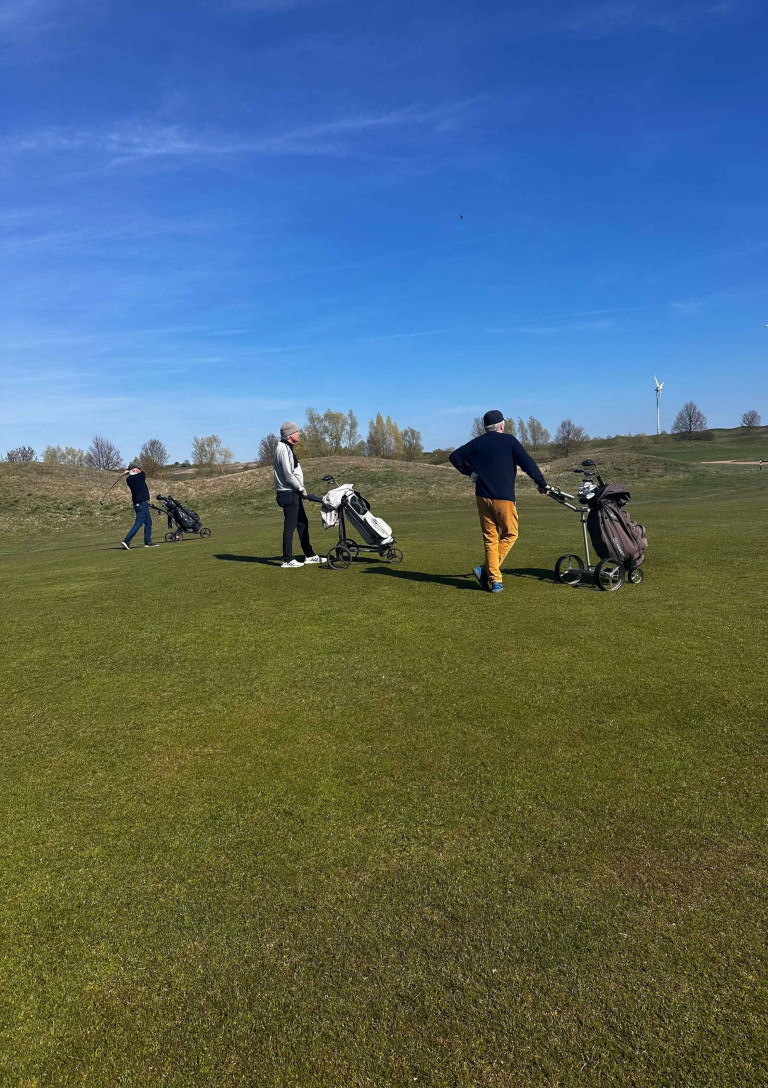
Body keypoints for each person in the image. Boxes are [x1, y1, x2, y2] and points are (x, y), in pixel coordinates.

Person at [449, 410, 548, 593]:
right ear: (501, 425)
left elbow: (454, 456)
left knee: (490, 539)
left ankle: (494, 580)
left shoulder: (477, 443)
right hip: (504, 497)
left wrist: (470, 472)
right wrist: (541, 483)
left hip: (482, 496)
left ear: (485, 427)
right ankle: (486, 571)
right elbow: (528, 463)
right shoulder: (509, 440)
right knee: (511, 534)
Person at [273, 422, 327, 568]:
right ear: (290, 435)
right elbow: (288, 474)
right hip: (288, 492)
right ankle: (287, 559)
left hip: (293, 491)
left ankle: (309, 555)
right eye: (297, 432)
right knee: (290, 526)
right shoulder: (282, 448)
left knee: (302, 523)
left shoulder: (287, 448)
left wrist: (299, 489)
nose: (299, 434)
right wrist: (301, 489)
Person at [120, 464, 158, 549]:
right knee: (138, 523)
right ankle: (127, 540)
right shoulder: (138, 477)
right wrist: (129, 472)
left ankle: (148, 541)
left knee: (148, 522)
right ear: (133, 471)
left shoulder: (129, 479)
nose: (140, 470)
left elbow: (138, 474)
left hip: (141, 504)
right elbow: (143, 474)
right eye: (138, 469)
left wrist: (128, 472)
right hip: (141, 504)